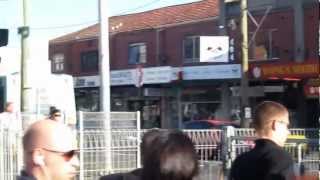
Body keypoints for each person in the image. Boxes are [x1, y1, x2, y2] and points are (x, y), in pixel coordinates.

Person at [229, 101, 295, 180]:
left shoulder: (240, 161)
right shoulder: (281, 158)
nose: (288, 132)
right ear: (275, 125)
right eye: (286, 125)